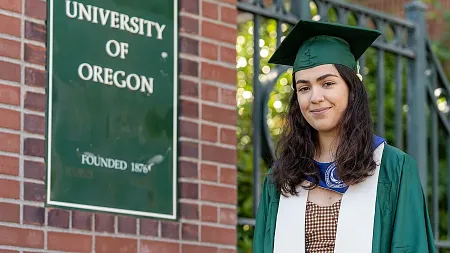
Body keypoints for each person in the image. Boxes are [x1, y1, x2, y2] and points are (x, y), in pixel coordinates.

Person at [252, 20, 435, 253]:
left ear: (351, 88)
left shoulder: (393, 169)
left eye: (327, 83)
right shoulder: (282, 178)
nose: (315, 97)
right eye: (304, 87)